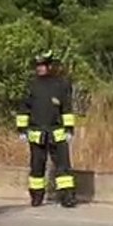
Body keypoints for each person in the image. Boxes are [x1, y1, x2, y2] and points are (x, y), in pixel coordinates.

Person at [15, 51, 77, 208]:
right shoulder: (31, 85)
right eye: (38, 66)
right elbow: (23, 108)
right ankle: (36, 196)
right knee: (37, 166)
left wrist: (69, 128)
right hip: (36, 133)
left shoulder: (61, 84)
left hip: (58, 132)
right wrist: (22, 129)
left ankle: (67, 196)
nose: (40, 69)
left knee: (63, 167)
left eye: (43, 66)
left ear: (50, 66)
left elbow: (67, 107)